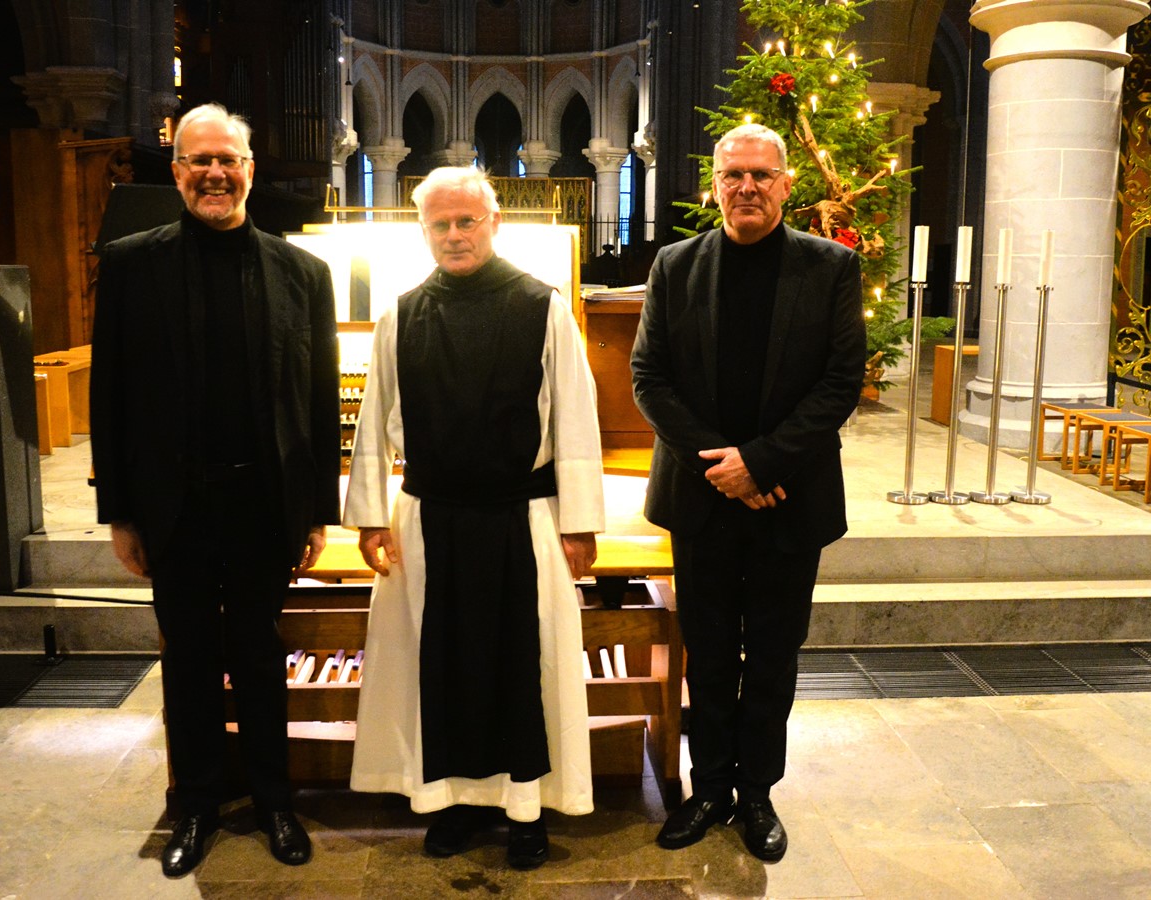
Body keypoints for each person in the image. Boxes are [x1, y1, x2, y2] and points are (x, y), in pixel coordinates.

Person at [90, 102, 340, 877]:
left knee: (262, 657)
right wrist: (119, 511)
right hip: (176, 506)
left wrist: (317, 510)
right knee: (191, 660)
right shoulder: (132, 263)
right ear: (176, 172)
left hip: (264, 503)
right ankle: (196, 805)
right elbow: (111, 396)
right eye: (200, 161)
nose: (215, 173)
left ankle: (274, 801)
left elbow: (320, 400)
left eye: (228, 160)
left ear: (250, 170)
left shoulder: (304, 272)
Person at [343, 166, 604, 870]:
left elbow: (575, 417)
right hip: (429, 520)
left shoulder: (539, 306)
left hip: (522, 518)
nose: (454, 235)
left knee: (524, 665)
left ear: (493, 222)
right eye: (440, 224)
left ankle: (526, 810)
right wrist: (370, 515)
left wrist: (581, 523)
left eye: (467, 221)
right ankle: (450, 801)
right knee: (441, 664)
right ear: (422, 230)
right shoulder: (403, 312)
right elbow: (375, 419)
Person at [630, 123, 865, 861]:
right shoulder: (675, 266)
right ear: (715, 184)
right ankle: (708, 789)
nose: (746, 188)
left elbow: (839, 383)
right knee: (705, 649)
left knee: (771, 651)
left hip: (789, 497)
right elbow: (649, 378)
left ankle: (758, 793)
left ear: (787, 185)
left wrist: (760, 464)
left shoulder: (830, 268)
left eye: (761, 175)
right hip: (703, 500)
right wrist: (723, 470)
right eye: (733, 175)